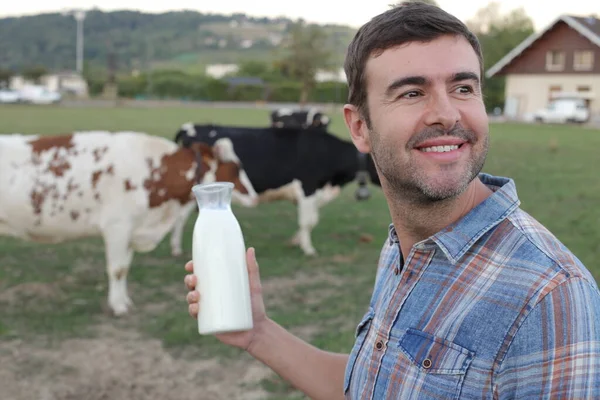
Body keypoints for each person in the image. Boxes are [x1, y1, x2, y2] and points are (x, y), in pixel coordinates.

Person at [184, 2, 600, 398]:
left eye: (463, 87)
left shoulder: (551, 297)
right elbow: (369, 385)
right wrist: (259, 332)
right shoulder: (407, 245)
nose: (448, 114)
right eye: (412, 93)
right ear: (360, 127)